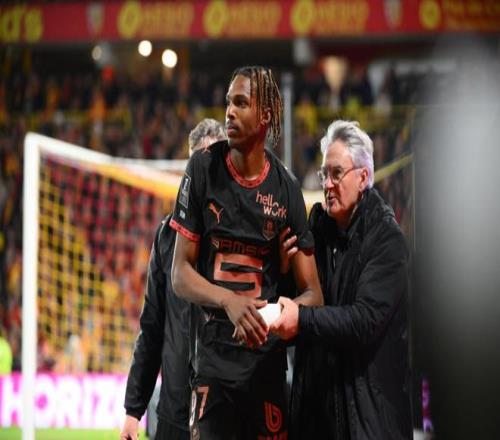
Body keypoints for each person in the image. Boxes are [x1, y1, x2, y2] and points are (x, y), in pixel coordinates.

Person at [170, 66, 323, 439]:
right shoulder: (202, 168)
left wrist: (271, 316)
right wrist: (228, 301)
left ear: (265, 116)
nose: (229, 112)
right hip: (212, 369)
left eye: (241, 103)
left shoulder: (286, 190)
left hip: (265, 372)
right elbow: (179, 274)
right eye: (228, 102)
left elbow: (313, 295)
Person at [273, 120, 412, 439]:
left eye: (337, 173)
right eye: (324, 174)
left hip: (369, 426)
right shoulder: (316, 234)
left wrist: (302, 318)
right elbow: (292, 319)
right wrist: (282, 270)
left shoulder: (387, 241)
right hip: (317, 422)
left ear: (363, 177)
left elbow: (363, 322)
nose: (327, 184)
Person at [120, 118, 226, 440]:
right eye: (195, 164)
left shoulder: (242, 234)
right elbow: (152, 325)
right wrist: (133, 410)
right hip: (174, 412)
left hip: (225, 414)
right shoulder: (167, 235)